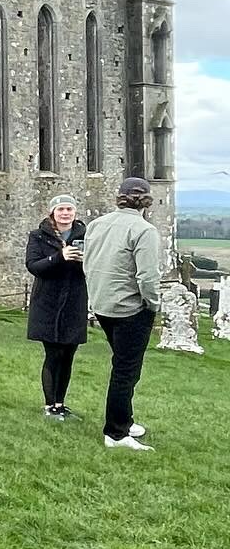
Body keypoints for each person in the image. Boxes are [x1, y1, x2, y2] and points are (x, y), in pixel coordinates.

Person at [81, 175, 161, 452]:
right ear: (146, 201)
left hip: (103, 305)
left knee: (123, 365)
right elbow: (148, 277)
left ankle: (124, 419)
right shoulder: (144, 230)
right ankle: (116, 433)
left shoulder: (96, 224)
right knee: (126, 370)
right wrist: (152, 304)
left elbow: (87, 264)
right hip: (131, 309)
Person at [25, 194, 87, 418]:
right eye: (61, 209)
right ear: (53, 212)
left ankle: (61, 403)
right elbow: (34, 266)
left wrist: (84, 261)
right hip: (47, 303)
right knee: (53, 354)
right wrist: (59, 257)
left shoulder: (85, 235)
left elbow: (95, 266)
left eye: (69, 209)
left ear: (75, 212)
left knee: (68, 354)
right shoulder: (38, 236)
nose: (65, 213)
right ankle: (49, 405)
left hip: (74, 301)